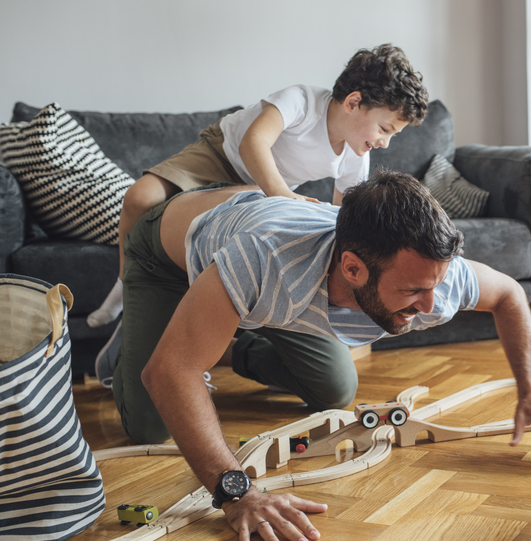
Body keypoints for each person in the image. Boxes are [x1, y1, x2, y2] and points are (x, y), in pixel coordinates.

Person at [102, 170, 531, 541]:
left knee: (335, 390)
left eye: (434, 287)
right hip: (168, 252)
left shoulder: (433, 276)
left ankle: (221, 337)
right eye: (412, 292)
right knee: (149, 415)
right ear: (353, 268)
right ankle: (157, 336)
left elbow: (510, 295)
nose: (431, 307)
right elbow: (171, 373)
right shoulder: (266, 259)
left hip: (268, 290)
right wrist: (237, 493)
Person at [86, 43, 428, 328]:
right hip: (222, 156)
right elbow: (253, 143)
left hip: (252, 192)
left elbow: (346, 221)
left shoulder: (356, 156)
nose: (385, 142)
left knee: (211, 249)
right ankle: (121, 290)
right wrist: (283, 197)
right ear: (353, 103)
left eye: (391, 135)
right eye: (384, 129)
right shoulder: (302, 100)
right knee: (140, 197)